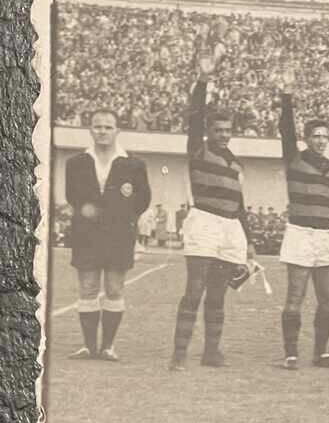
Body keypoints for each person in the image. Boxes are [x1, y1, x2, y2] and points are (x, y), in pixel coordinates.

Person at [170, 55, 255, 370]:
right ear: (208, 131)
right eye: (218, 129)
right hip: (203, 223)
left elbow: (240, 204)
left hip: (230, 227)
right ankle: (179, 354)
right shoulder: (198, 149)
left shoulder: (235, 163)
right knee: (194, 290)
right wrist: (203, 80)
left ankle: (211, 351)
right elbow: (194, 115)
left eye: (227, 130)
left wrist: (251, 239)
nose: (223, 134)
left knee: (218, 295)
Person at [64, 109, 151, 361]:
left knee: (114, 288)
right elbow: (73, 196)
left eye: (108, 127)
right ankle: (89, 347)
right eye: (98, 126)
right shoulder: (76, 163)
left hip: (118, 236)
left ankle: (108, 346)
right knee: (88, 287)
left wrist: (120, 219)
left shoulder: (133, 164)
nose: (102, 131)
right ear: (90, 129)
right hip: (86, 235)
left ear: (117, 131)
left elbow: (142, 200)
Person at [277, 69, 329, 370]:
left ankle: (321, 352)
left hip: (327, 235)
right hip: (300, 233)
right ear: (306, 139)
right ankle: (291, 353)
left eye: (325, 137)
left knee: (328, 298)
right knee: (295, 295)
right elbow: (285, 130)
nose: (320, 141)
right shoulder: (295, 158)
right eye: (315, 136)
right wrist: (287, 96)